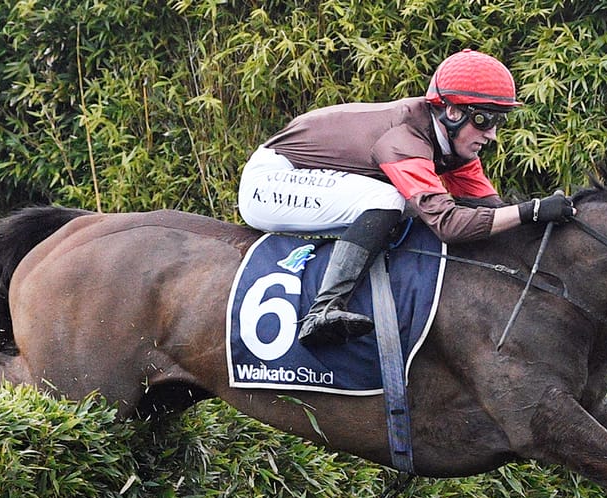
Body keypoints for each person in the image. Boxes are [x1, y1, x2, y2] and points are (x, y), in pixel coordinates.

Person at [237, 48, 576, 347]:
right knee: (390, 200)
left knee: (405, 208)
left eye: (498, 121)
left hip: (314, 180)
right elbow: (449, 225)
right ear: (452, 112)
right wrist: (531, 210)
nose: (492, 134)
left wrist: (540, 220)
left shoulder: (456, 149)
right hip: (270, 183)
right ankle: (322, 311)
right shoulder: (406, 139)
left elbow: (493, 212)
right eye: (484, 119)